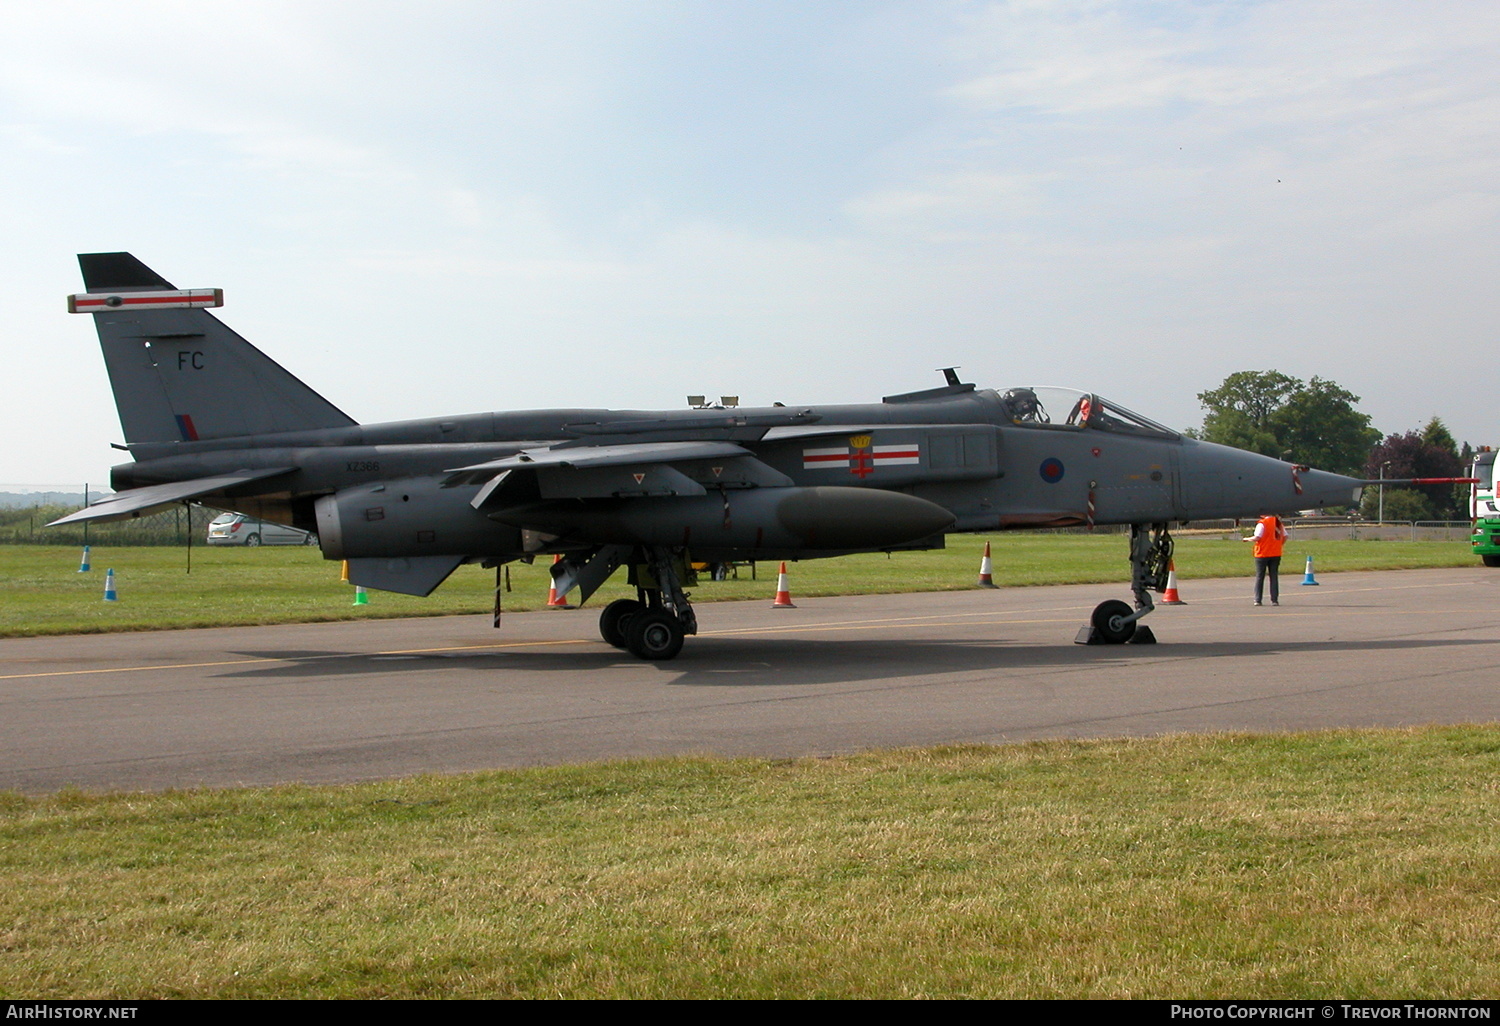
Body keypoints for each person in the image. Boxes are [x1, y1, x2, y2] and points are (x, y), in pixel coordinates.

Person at [1244, 513, 1289, 606]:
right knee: (1274, 577)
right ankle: (1274, 600)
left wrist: (1247, 539)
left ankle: (1258, 599)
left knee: (1260, 577)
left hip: (1262, 554)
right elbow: (1285, 536)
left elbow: (1257, 537)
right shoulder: (1278, 523)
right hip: (1275, 553)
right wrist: (1279, 545)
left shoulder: (1262, 523)